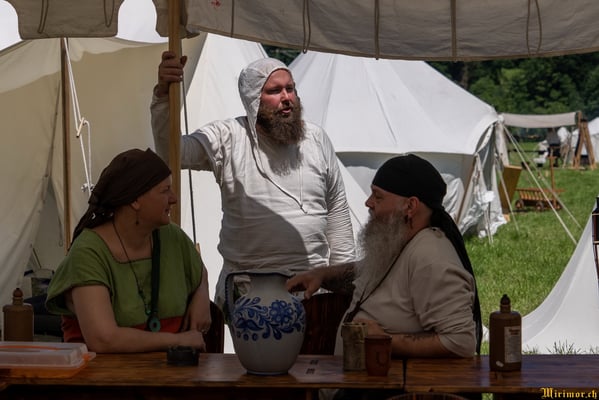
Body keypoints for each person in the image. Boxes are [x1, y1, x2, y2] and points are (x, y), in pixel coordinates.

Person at [151, 52, 355, 308]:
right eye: (275, 91)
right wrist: (163, 95)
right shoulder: (228, 137)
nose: (286, 98)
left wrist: (342, 282)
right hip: (248, 289)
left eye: (290, 88)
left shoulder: (316, 139)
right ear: (253, 99)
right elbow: (173, 153)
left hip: (312, 290)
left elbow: (337, 213)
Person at [287, 154, 483, 360]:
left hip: (392, 381)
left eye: (378, 197)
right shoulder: (402, 240)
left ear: (410, 206)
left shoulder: (431, 257)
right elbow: (372, 275)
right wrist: (323, 275)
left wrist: (383, 340)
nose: (368, 202)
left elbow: (461, 341)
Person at [46, 148, 211, 353]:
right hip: (105, 373)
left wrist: (202, 295)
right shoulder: (88, 254)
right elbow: (103, 339)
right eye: (165, 190)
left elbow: (199, 271)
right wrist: (178, 340)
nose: (174, 198)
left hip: (170, 371)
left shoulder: (171, 237)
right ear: (135, 200)